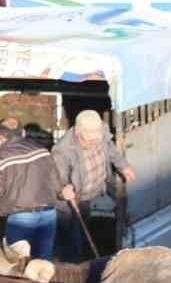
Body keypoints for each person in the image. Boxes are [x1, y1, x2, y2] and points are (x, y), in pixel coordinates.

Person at [53, 109, 137, 262]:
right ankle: (72, 266)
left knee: (84, 228)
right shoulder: (62, 151)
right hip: (71, 202)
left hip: (89, 195)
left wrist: (123, 165)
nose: (94, 143)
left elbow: (110, 149)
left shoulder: (100, 133)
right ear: (78, 132)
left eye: (96, 140)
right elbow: (57, 179)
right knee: (73, 239)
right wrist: (63, 190)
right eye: (89, 141)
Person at [0, 121, 61, 259]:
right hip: (49, 213)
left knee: (17, 261)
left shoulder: (0, 159)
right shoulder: (43, 151)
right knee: (42, 264)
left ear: (1, 137)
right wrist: (63, 194)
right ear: (23, 132)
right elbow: (57, 184)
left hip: (20, 218)